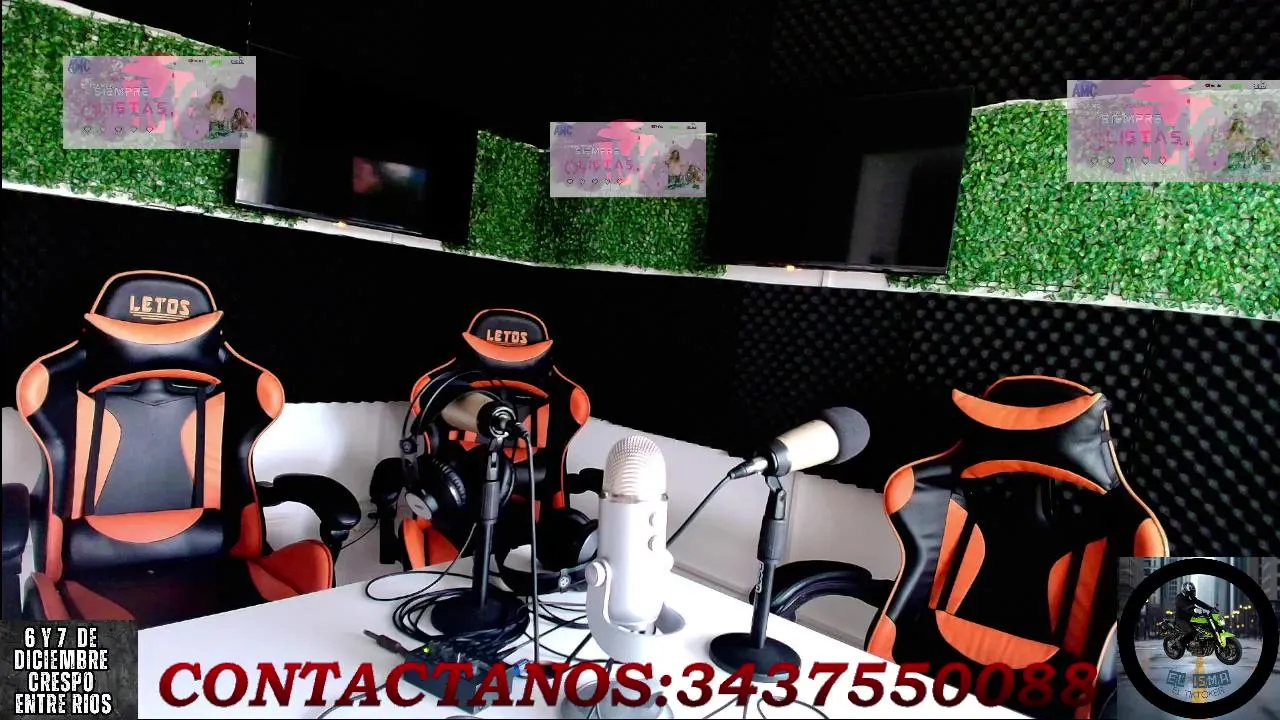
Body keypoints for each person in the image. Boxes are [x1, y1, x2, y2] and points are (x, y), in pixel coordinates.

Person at [1174, 582, 1215, 649]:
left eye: (1193, 592)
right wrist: (1191, 608)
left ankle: (1201, 643)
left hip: (1191, 618)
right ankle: (1180, 641)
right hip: (1181, 619)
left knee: (1203, 627)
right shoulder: (1179, 598)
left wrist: (1211, 608)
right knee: (1191, 631)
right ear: (1185, 591)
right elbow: (1184, 607)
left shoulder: (1192, 598)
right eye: (1190, 592)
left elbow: (1200, 603)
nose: (1192, 593)